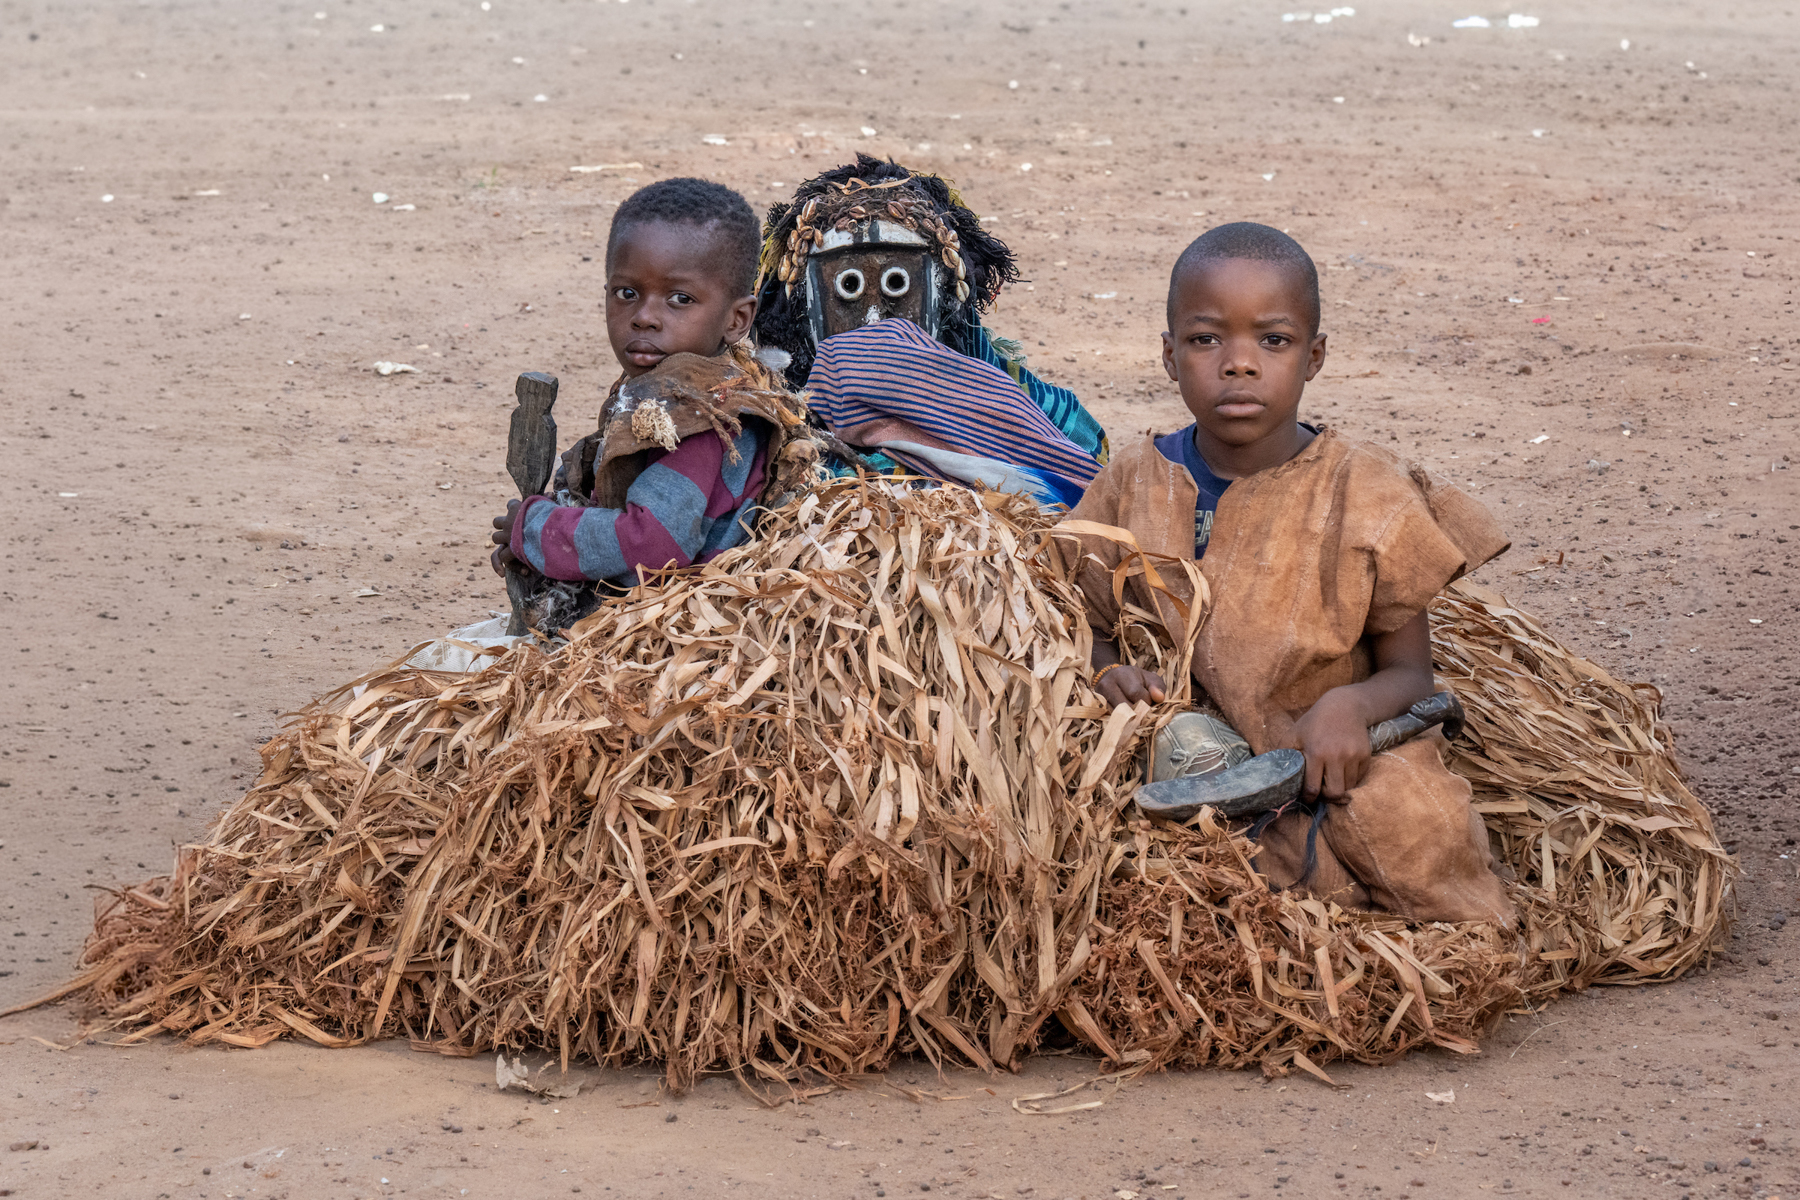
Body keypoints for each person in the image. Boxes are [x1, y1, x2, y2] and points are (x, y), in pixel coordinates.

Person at [1059, 222, 1515, 925]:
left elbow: (1411, 674)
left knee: (1414, 823)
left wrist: (1353, 708)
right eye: (1206, 340)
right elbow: (1076, 614)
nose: (1238, 365)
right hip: (1190, 767)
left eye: (1272, 341)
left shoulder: (1363, 491)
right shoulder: (1132, 481)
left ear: (1314, 357)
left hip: (1334, 760)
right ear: (1169, 356)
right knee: (1117, 852)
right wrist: (1104, 668)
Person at [487, 178, 816, 629]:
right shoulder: (671, 386)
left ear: (737, 319)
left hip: (679, 639)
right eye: (627, 293)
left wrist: (537, 531)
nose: (644, 316)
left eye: (680, 299)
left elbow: (653, 546)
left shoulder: (702, 420)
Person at [754, 155, 1108, 509]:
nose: (875, 317)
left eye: (898, 285)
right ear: (805, 308)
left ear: (942, 300)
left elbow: (1089, 471)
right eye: (849, 288)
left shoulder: (1034, 412)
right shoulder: (777, 438)